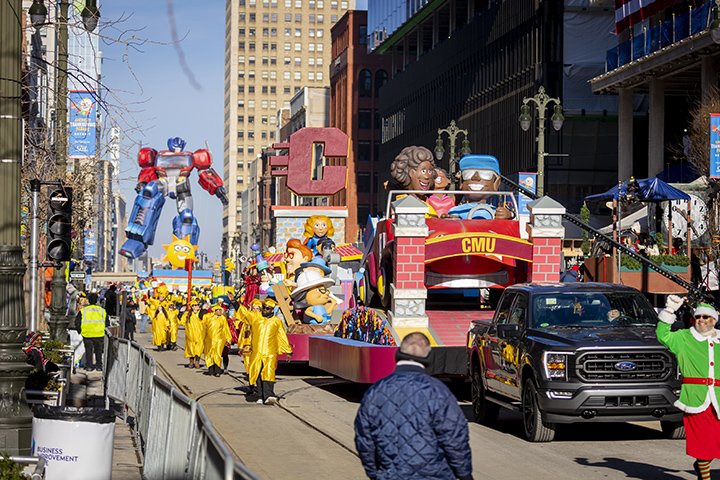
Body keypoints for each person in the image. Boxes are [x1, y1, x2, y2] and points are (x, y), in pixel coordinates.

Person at [354, 332, 473, 480]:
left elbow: (364, 440)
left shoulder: (375, 392)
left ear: (398, 355)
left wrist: (375, 474)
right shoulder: (439, 392)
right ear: (428, 359)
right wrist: (464, 474)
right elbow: (455, 437)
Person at [657, 296, 720, 480]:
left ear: (714, 320)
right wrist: (669, 311)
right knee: (702, 442)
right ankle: (705, 476)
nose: (701, 320)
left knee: (715, 442)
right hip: (695, 397)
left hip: (718, 398)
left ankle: (702, 467)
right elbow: (663, 335)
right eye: (698, 316)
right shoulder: (684, 338)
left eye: (705, 317)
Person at [235, 298, 293, 404]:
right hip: (257, 352)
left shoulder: (276, 321)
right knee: (257, 373)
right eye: (263, 308)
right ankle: (260, 395)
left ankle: (269, 395)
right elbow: (245, 314)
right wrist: (235, 303)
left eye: (267, 308)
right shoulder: (256, 318)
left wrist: (288, 351)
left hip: (270, 353)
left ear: (272, 310)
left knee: (269, 373)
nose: (265, 310)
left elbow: (281, 336)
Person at [203, 299, 232, 377]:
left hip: (219, 339)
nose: (220, 311)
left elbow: (226, 329)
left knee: (217, 354)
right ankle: (211, 369)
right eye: (218, 310)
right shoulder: (208, 317)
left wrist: (228, 339)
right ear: (214, 311)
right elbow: (203, 327)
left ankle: (217, 370)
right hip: (209, 339)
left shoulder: (222, 318)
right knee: (209, 354)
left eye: (220, 310)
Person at [79, 292, 107, 371]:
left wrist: (79, 330)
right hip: (99, 334)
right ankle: (98, 366)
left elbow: (78, 321)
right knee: (98, 351)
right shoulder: (102, 310)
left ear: (88, 300)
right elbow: (107, 322)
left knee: (89, 351)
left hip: (87, 334)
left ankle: (89, 366)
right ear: (96, 300)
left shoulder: (83, 310)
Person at [181, 300, 205, 368]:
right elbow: (181, 321)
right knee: (190, 349)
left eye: (196, 305)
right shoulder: (187, 314)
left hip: (199, 334)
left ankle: (197, 361)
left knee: (198, 349)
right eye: (194, 305)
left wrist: (204, 309)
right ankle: (191, 362)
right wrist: (180, 312)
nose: (195, 307)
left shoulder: (201, 313)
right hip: (190, 334)